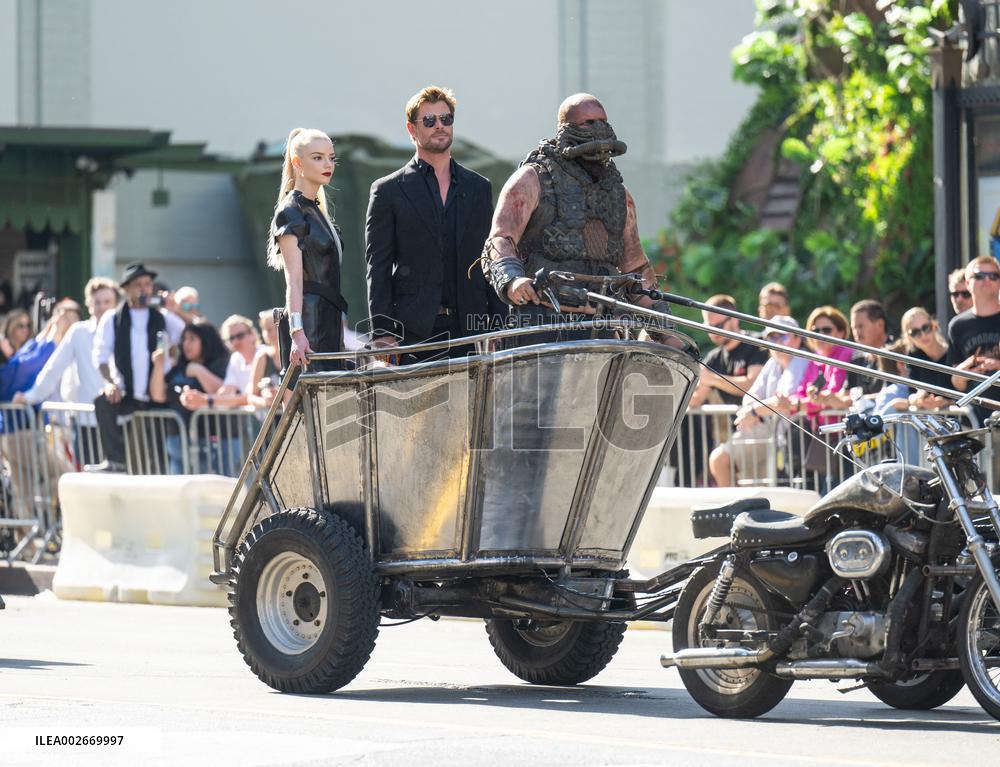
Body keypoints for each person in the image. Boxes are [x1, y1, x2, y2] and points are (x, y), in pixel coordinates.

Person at [480, 92, 671, 332]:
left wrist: (665, 332)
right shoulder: (531, 179)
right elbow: (499, 240)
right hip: (542, 325)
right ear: (565, 128)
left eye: (603, 121)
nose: (598, 129)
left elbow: (635, 269)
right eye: (588, 123)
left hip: (605, 326)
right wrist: (512, 280)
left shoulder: (620, 195)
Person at [365, 85, 505, 358]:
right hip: (414, 331)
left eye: (446, 119)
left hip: (472, 331)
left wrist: (498, 325)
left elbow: (489, 258)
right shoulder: (387, 190)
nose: (439, 126)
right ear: (411, 129)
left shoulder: (478, 187)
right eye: (429, 121)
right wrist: (382, 332)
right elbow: (377, 266)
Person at [91, 262, 185, 472]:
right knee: (102, 403)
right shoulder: (113, 318)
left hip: (157, 395)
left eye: (147, 284)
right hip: (127, 393)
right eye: (138, 285)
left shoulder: (163, 316)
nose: (143, 289)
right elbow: (100, 356)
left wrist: (176, 310)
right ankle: (116, 461)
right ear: (127, 289)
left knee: (158, 457)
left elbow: (188, 335)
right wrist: (110, 384)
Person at [268, 128, 346, 372]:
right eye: (317, 157)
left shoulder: (317, 211)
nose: (328, 164)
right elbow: (294, 281)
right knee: (314, 402)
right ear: (297, 163)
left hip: (329, 318)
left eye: (331, 157)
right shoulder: (291, 211)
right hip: (309, 323)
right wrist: (297, 331)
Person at [709, 316, 808, 486]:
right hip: (773, 433)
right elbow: (750, 396)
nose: (777, 342)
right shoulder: (772, 363)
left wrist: (753, 411)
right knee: (757, 484)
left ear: (797, 339)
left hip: (798, 438)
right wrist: (753, 412)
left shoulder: (801, 361)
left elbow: (782, 402)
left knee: (720, 460)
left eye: (782, 336)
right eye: (771, 337)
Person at [14, 278, 119, 410]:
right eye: (97, 302)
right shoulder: (78, 332)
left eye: (107, 302)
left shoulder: (125, 332)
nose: (102, 307)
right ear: (89, 304)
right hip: (87, 419)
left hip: (120, 417)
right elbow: (54, 368)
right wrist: (29, 397)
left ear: (116, 305)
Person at [149, 322, 228, 475]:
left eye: (192, 339)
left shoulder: (218, 364)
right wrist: (158, 365)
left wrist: (198, 371)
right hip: (176, 441)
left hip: (206, 442)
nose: (186, 344)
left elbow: (221, 391)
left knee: (206, 494)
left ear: (205, 341)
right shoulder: (178, 368)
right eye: (184, 339)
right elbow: (158, 395)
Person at [688, 295, 768, 409]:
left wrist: (712, 378)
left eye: (719, 326)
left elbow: (752, 385)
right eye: (709, 327)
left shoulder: (756, 343)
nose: (714, 331)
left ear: (734, 319)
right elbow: (696, 399)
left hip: (763, 421)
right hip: (737, 425)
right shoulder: (714, 358)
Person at [949, 255, 1000, 416]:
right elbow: (956, 383)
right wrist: (964, 372)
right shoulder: (957, 326)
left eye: (993, 276)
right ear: (967, 282)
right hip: (976, 419)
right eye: (979, 276)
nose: (987, 280)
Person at [899, 306, 952, 410]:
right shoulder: (913, 357)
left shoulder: (952, 350)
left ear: (934, 326)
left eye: (926, 328)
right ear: (909, 338)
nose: (923, 335)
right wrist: (919, 399)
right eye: (915, 332)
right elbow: (912, 392)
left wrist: (947, 402)